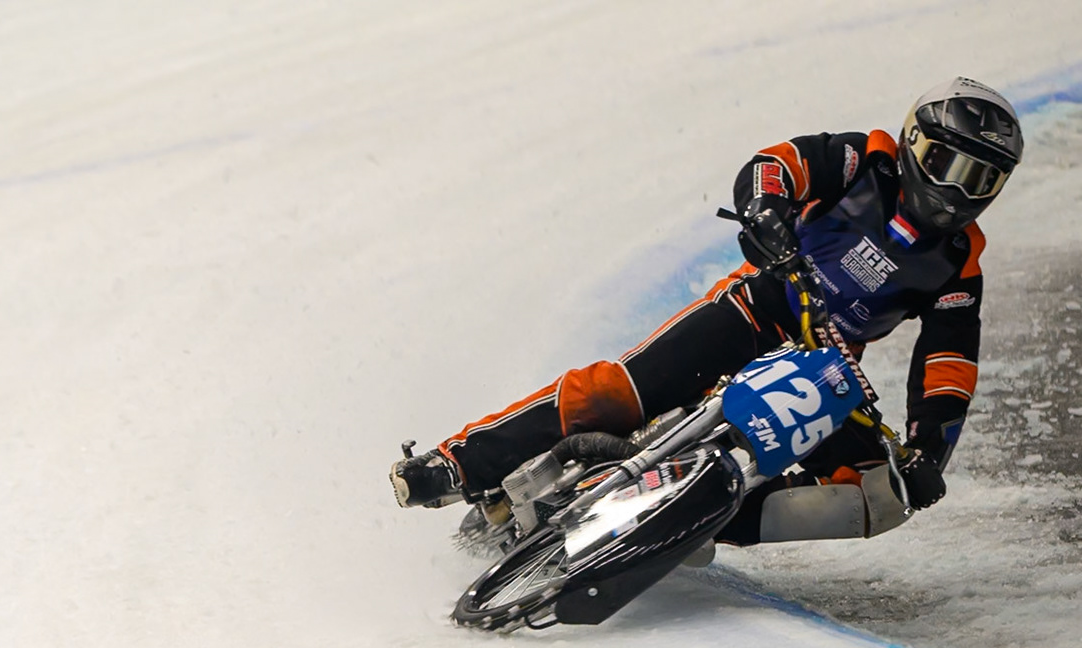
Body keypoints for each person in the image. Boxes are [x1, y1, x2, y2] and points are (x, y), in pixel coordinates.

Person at [392, 77, 1023, 545]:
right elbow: (778, 164)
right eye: (950, 165)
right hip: (754, 308)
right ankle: (455, 464)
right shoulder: (865, 160)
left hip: (825, 368)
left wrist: (927, 451)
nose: (959, 192)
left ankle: (698, 524)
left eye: (983, 180)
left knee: (884, 498)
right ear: (915, 144)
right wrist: (766, 213)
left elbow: (948, 365)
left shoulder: (959, 264)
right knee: (618, 392)